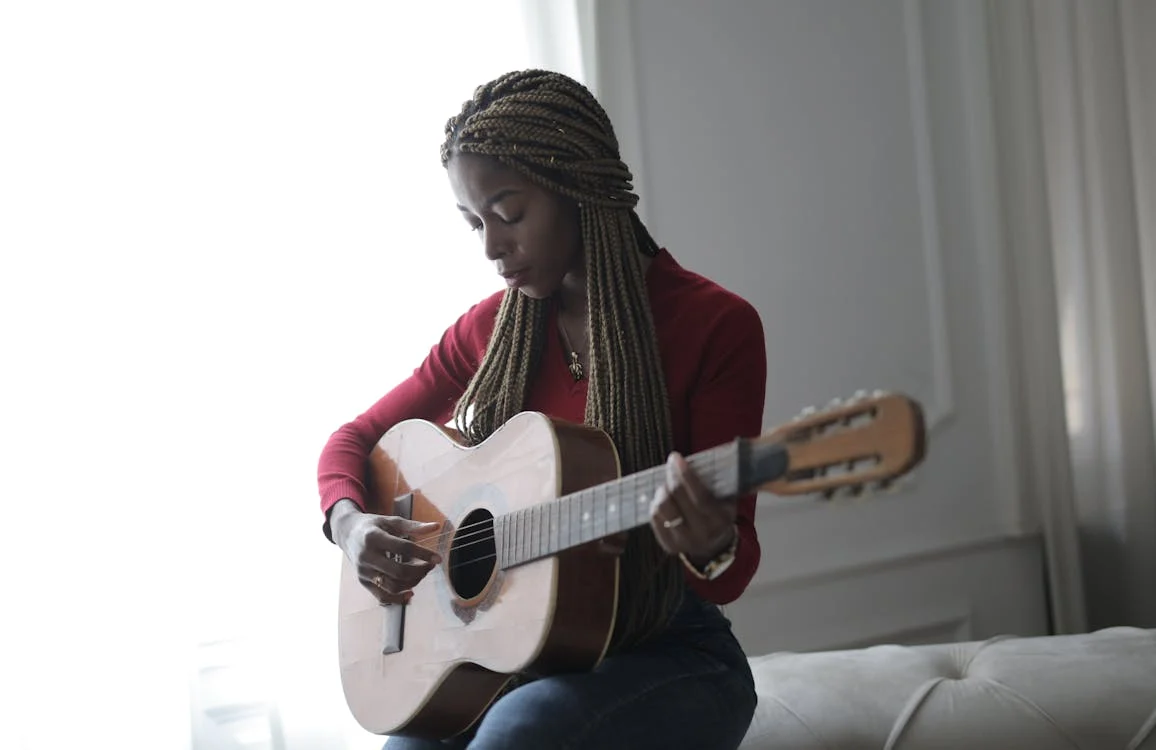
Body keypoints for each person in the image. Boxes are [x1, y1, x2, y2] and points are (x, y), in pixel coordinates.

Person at [317, 69, 767, 749]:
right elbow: (352, 441)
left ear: (576, 188)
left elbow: (731, 572)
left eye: (509, 213)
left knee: (519, 733)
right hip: (528, 654)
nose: (491, 247)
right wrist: (351, 526)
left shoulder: (713, 325)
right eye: (475, 222)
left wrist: (706, 543)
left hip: (671, 651)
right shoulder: (492, 330)